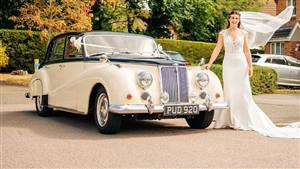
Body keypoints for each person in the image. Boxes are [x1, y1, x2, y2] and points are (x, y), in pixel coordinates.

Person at [202, 10, 300, 138]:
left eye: (236, 18)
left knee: (242, 92)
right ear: (228, 19)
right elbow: (217, 49)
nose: (234, 20)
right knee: (229, 91)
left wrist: (250, 66)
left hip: (240, 64)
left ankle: (242, 120)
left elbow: (247, 51)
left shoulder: (243, 33)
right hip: (228, 64)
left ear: (239, 20)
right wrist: (209, 63)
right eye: (232, 18)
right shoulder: (222, 34)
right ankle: (227, 120)